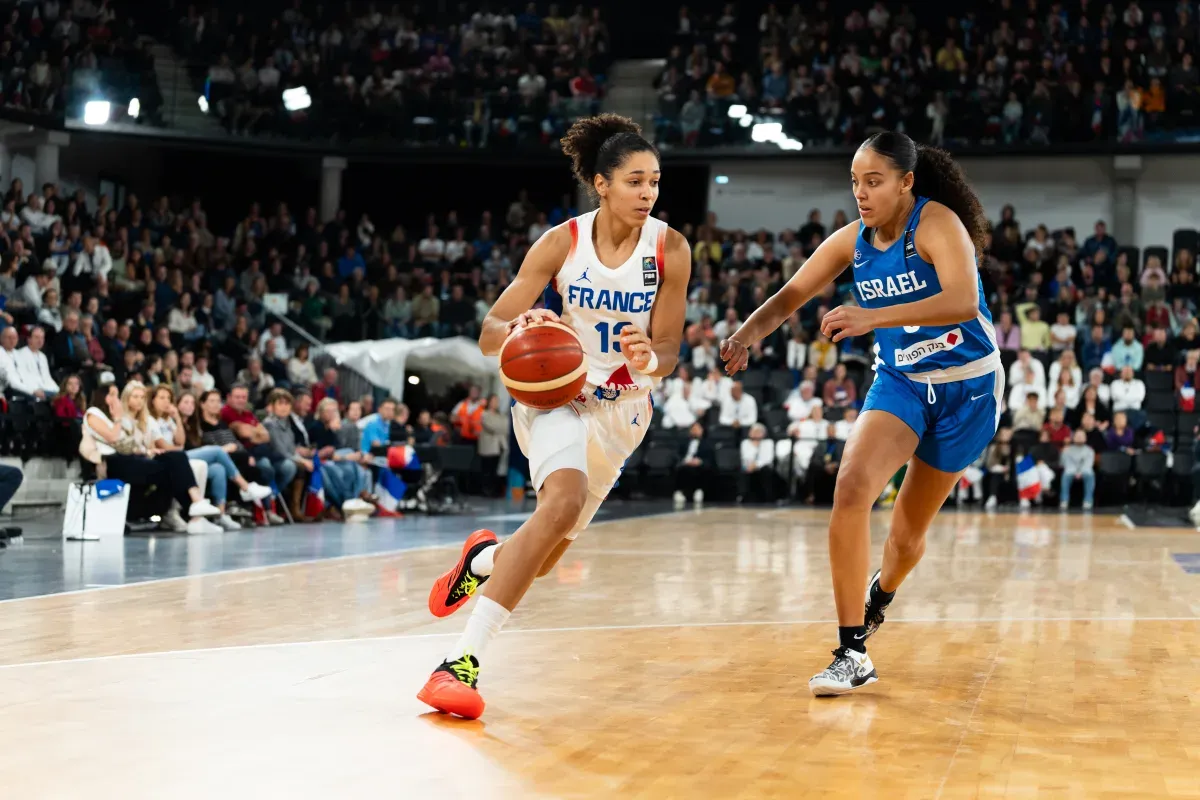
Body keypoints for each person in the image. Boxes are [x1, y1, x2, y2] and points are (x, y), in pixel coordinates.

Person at [417, 114, 691, 719]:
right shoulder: (561, 242)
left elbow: (669, 350)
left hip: (625, 412)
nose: (647, 193)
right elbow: (490, 331)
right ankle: (456, 665)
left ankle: (482, 560)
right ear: (602, 184)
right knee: (559, 506)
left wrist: (652, 354)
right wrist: (523, 326)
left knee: (541, 559)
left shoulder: (670, 248)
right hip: (556, 396)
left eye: (655, 182)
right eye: (635, 181)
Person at [720, 131, 1001, 696]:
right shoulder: (853, 240)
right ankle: (851, 650)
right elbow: (790, 296)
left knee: (904, 541)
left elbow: (963, 300)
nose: (862, 194)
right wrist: (747, 333)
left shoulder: (938, 224)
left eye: (874, 181)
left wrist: (875, 317)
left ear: (906, 182)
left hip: (966, 389)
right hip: (899, 382)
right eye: (855, 182)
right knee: (851, 488)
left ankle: (883, 594)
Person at [147, 385, 272, 529]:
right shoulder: (150, 419)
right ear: (152, 400)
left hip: (178, 456)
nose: (166, 401)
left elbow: (180, 441)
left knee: (218, 469)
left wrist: (176, 419)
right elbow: (166, 446)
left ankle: (220, 514)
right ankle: (245, 487)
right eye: (162, 398)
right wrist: (177, 448)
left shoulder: (168, 420)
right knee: (217, 451)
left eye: (168, 398)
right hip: (169, 458)